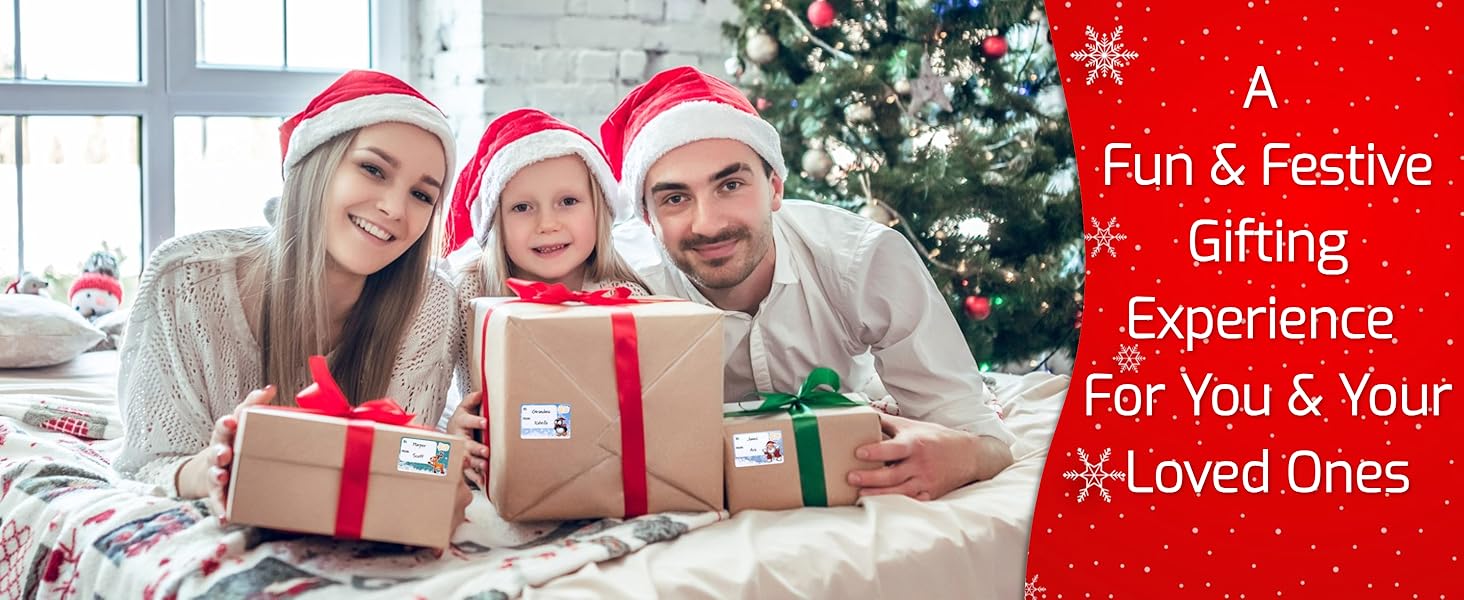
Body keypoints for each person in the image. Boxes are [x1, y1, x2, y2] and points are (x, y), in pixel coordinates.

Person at [602, 66, 1016, 501]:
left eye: (731, 184)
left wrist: (966, 456)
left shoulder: (862, 259)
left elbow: (978, 432)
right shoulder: (620, 288)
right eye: (675, 198)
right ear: (647, 218)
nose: (708, 224)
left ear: (775, 187)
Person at [115, 70, 465, 518]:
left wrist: (441, 468)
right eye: (373, 169)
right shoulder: (185, 279)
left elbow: (414, 452)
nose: (395, 209)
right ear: (314, 164)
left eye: (421, 195)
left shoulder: (431, 302)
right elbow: (144, 465)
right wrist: (212, 467)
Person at [438, 109, 648, 476]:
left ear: (599, 209)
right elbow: (415, 419)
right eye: (522, 207)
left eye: (568, 202)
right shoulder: (466, 293)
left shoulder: (624, 298)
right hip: (492, 475)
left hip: (598, 472)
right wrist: (449, 444)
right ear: (495, 221)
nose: (547, 224)